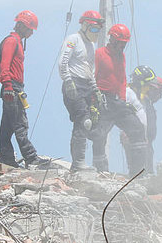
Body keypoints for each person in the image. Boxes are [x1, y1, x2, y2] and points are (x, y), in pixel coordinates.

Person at [91, 24, 148, 176]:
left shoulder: (121, 56)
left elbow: (122, 79)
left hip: (118, 102)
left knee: (137, 129)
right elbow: (92, 77)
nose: (122, 46)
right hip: (103, 100)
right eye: (120, 43)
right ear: (112, 40)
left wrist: (122, 99)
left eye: (124, 43)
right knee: (99, 135)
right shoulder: (99, 54)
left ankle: (137, 172)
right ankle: (100, 171)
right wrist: (92, 101)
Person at [0, 10, 50, 169]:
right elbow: (4, 65)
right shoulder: (12, 41)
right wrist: (7, 86)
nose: (32, 33)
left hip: (14, 87)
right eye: (30, 29)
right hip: (11, 87)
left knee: (7, 125)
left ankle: (6, 158)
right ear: (23, 26)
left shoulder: (18, 41)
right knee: (20, 123)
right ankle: (31, 158)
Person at [58, 10, 103, 172]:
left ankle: (83, 162)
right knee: (83, 120)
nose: (96, 33)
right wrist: (68, 80)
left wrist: (95, 88)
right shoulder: (73, 40)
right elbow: (63, 62)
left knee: (91, 123)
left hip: (86, 86)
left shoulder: (91, 46)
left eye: (98, 30)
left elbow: (89, 69)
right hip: (74, 84)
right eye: (94, 29)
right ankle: (78, 163)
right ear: (85, 25)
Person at [124, 66, 162, 174]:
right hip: (136, 139)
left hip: (147, 142)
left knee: (147, 168)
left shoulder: (147, 104)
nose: (159, 97)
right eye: (158, 93)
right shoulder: (132, 96)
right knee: (138, 166)